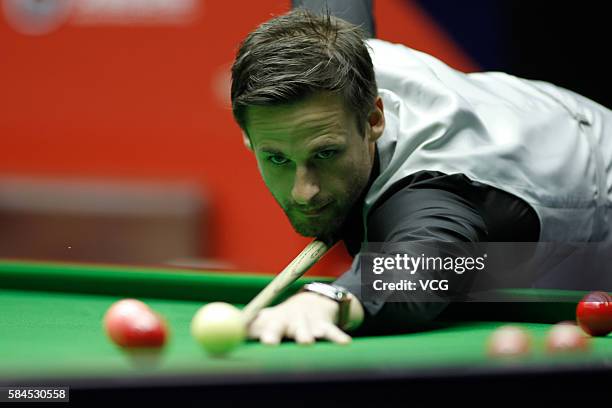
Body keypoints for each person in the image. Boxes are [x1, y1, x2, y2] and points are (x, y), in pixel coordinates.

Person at [230, 3, 612, 345]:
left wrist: (327, 299)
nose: (304, 191)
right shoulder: (329, 48)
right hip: (537, 117)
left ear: (374, 118)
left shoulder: (434, 187)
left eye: (326, 153)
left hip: (594, 195)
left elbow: (426, 264)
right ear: (248, 138)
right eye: (278, 159)